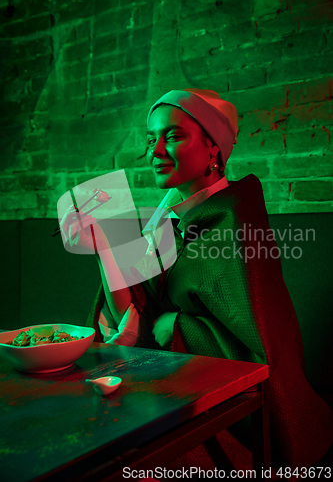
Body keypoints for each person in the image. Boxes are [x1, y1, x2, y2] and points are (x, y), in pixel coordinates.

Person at [62, 89, 333, 470]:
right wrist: (105, 247)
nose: (155, 151)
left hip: (235, 410)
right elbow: (135, 315)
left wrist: (176, 325)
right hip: (170, 379)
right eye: (151, 138)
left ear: (212, 149)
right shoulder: (167, 218)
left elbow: (256, 350)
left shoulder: (235, 221)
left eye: (172, 136)